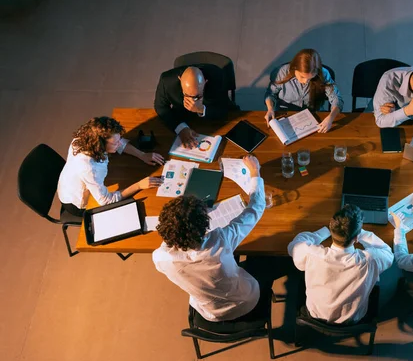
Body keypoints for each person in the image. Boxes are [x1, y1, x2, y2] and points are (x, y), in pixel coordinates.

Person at [153, 155, 272, 325]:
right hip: (246, 301)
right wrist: (255, 172)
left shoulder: (160, 258)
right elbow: (255, 209)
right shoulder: (220, 242)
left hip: (210, 311)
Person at [287, 204, 394, 324]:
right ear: (356, 238)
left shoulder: (312, 254)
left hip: (316, 315)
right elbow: (387, 252)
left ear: (332, 228)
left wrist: (325, 231)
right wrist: (358, 231)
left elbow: (295, 244)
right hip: (354, 318)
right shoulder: (371, 260)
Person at [57, 116, 164, 217]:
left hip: (76, 181)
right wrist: (139, 185)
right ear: (100, 145)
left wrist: (142, 155)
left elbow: (118, 141)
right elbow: (106, 201)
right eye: (115, 143)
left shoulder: (87, 135)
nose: (119, 144)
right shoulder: (90, 168)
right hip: (77, 201)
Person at [264, 48, 343, 133]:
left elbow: (336, 99)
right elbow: (270, 94)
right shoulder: (281, 72)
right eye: (302, 76)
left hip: (314, 116)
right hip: (285, 115)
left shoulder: (323, 74)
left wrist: (330, 118)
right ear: (295, 68)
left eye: (311, 78)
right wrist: (270, 108)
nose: (306, 81)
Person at [154, 65, 231, 148]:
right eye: (187, 95)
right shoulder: (166, 81)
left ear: (205, 81)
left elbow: (224, 109)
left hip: (209, 123)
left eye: (197, 96)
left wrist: (202, 109)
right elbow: (160, 107)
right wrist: (181, 128)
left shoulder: (217, 78)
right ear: (180, 80)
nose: (192, 102)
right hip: (180, 116)